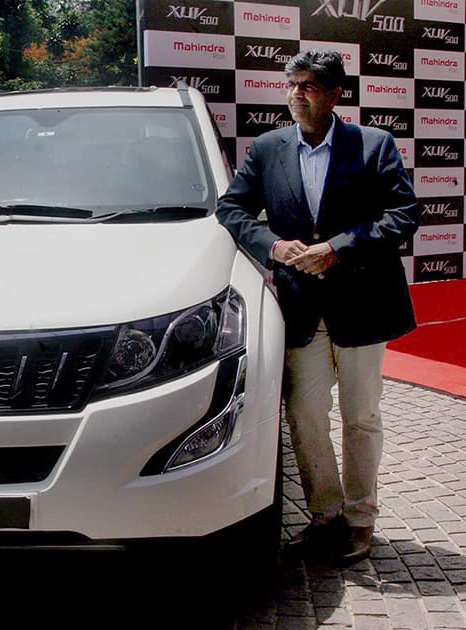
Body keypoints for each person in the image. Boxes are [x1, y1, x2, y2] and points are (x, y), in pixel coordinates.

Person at [215, 49, 419, 565]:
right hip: (301, 309)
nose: (296, 94)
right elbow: (230, 208)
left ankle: (360, 519)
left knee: (361, 416)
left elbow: (403, 215)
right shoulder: (266, 149)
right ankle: (323, 516)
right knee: (305, 418)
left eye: (307, 85)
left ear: (334, 95)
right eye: (291, 84)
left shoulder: (374, 146)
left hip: (362, 306)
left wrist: (337, 247)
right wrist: (272, 247)